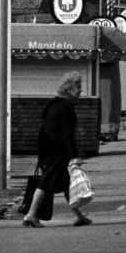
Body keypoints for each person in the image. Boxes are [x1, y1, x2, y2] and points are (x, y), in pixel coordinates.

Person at [23, 72, 92, 227]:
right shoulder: (66, 108)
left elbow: (45, 130)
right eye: (78, 87)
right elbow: (67, 134)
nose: (81, 91)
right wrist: (74, 156)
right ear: (69, 90)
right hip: (57, 151)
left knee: (67, 183)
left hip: (47, 149)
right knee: (46, 182)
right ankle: (31, 214)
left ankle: (78, 216)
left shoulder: (52, 105)